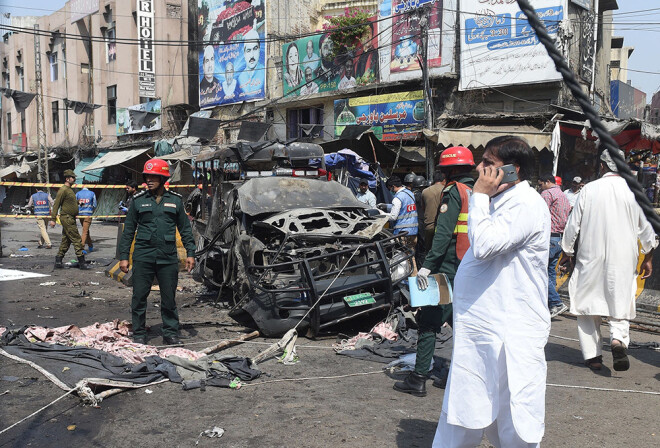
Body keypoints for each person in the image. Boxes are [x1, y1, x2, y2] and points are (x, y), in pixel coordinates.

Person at [432, 136, 550, 448]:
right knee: (466, 402)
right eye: (482, 162)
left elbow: (484, 246)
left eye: (489, 164)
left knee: (514, 414)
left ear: (514, 170)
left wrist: (479, 198)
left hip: (512, 328)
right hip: (484, 324)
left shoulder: (526, 204)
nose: (480, 170)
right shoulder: (499, 201)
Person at [561, 149, 657, 372]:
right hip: (623, 258)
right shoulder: (635, 192)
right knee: (620, 300)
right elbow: (647, 231)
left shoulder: (588, 190)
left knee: (587, 304)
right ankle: (617, 340)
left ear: (602, 167)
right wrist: (648, 258)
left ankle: (593, 356)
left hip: (589, 256)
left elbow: (573, 224)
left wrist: (567, 251)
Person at [395, 147, 475, 398]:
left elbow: (442, 233)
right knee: (458, 321)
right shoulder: (475, 193)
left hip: (446, 266)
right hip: (466, 265)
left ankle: (418, 378)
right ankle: (456, 376)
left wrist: (427, 265)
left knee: (429, 321)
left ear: (449, 170)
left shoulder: (453, 192)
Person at [118, 159, 196, 346]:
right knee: (139, 297)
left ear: (163, 178)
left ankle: (170, 333)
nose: (149, 180)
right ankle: (139, 333)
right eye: (147, 177)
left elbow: (185, 229)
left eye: (154, 177)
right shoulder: (138, 201)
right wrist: (123, 257)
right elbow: (128, 231)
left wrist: (191, 253)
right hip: (143, 255)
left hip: (167, 257)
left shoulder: (175, 201)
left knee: (169, 297)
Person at [538, 173, 570, 317]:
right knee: (550, 272)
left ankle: (556, 303)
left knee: (540, 272)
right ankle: (550, 304)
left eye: (540, 184)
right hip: (559, 239)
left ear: (547, 181)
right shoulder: (563, 195)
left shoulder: (547, 193)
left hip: (549, 237)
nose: (540, 187)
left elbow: (539, 214)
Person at [49, 170, 88, 270]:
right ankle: (82, 263)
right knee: (76, 239)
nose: (74, 179)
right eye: (72, 177)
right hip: (67, 217)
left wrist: (78, 203)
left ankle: (58, 260)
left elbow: (69, 202)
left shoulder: (70, 189)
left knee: (66, 240)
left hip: (70, 217)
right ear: (67, 179)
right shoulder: (63, 190)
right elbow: (56, 204)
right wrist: (53, 219)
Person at [385, 175, 418, 274]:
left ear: (393, 186)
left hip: (402, 234)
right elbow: (404, 209)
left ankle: (411, 281)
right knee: (411, 257)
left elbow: (393, 217)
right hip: (413, 232)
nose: (390, 191)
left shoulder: (397, 198)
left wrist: (382, 215)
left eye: (390, 188)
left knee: (406, 260)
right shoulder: (410, 194)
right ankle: (412, 278)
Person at [421, 170, 447, 252]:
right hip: (442, 227)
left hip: (429, 226)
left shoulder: (425, 191)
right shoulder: (447, 190)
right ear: (444, 180)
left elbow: (423, 208)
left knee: (429, 251)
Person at [238, 29, 265, 97]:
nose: (252, 55)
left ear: (259, 49)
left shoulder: (264, 71)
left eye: (255, 49)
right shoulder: (240, 77)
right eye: (248, 51)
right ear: (244, 53)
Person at [76, 186, 97, 253]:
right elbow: (95, 205)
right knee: (85, 231)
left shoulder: (78, 193)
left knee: (85, 230)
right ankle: (82, 248)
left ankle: (90, 245)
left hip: (80, 215)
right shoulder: (92, 193)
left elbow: (74, 203)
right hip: (88, 214)